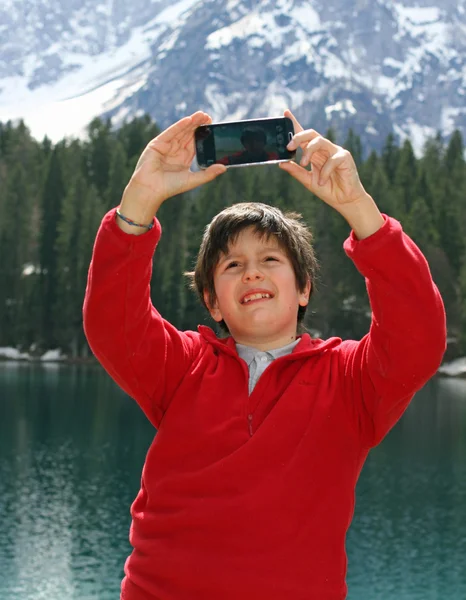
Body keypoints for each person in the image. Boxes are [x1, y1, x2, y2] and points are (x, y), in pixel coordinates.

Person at [83, 109, 446, 600]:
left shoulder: (351, 381)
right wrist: (139, 202)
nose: (252, 273)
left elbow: (418, 338)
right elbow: (113, 325)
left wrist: (361, 210)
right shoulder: (182, 366)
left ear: (304, 288)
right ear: (212, 301)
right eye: (232, 265)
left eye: (270, 260)